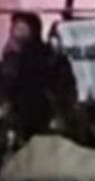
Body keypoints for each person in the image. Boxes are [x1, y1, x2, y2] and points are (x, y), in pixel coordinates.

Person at [0, 11, 78, 144]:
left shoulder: (49, 60)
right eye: (15, 28)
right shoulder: (11, 60)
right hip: (19, 123)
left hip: (43, 121)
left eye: (22, 29)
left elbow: (64, 91)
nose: (15, 34)